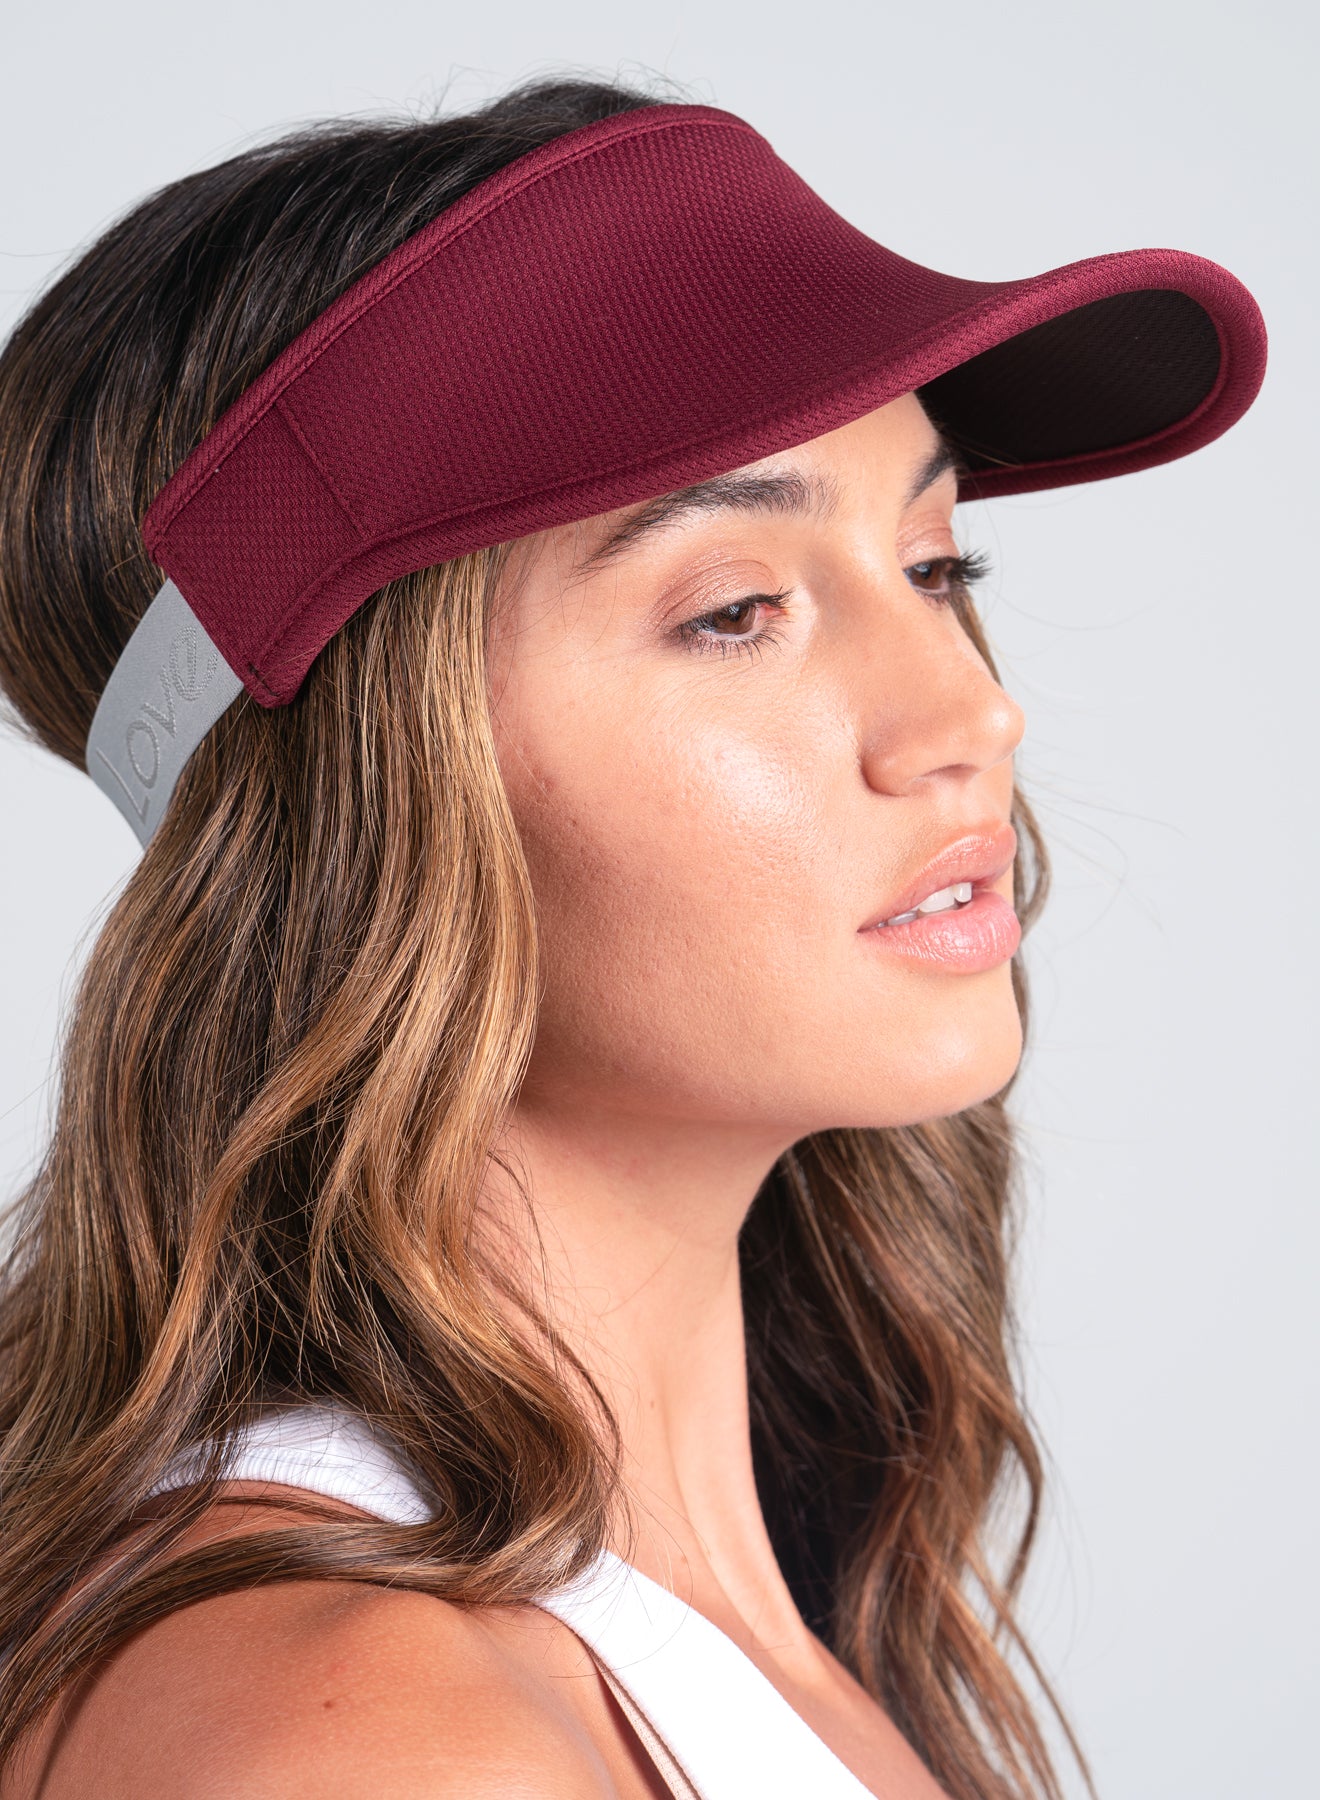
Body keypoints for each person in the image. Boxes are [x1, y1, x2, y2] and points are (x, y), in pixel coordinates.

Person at [0, 72, 1265, 1800]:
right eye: (737, 610)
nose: (967, 716)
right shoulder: (375, 1737)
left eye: (935, 564)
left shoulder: (756, 1626)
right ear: (365, 800)